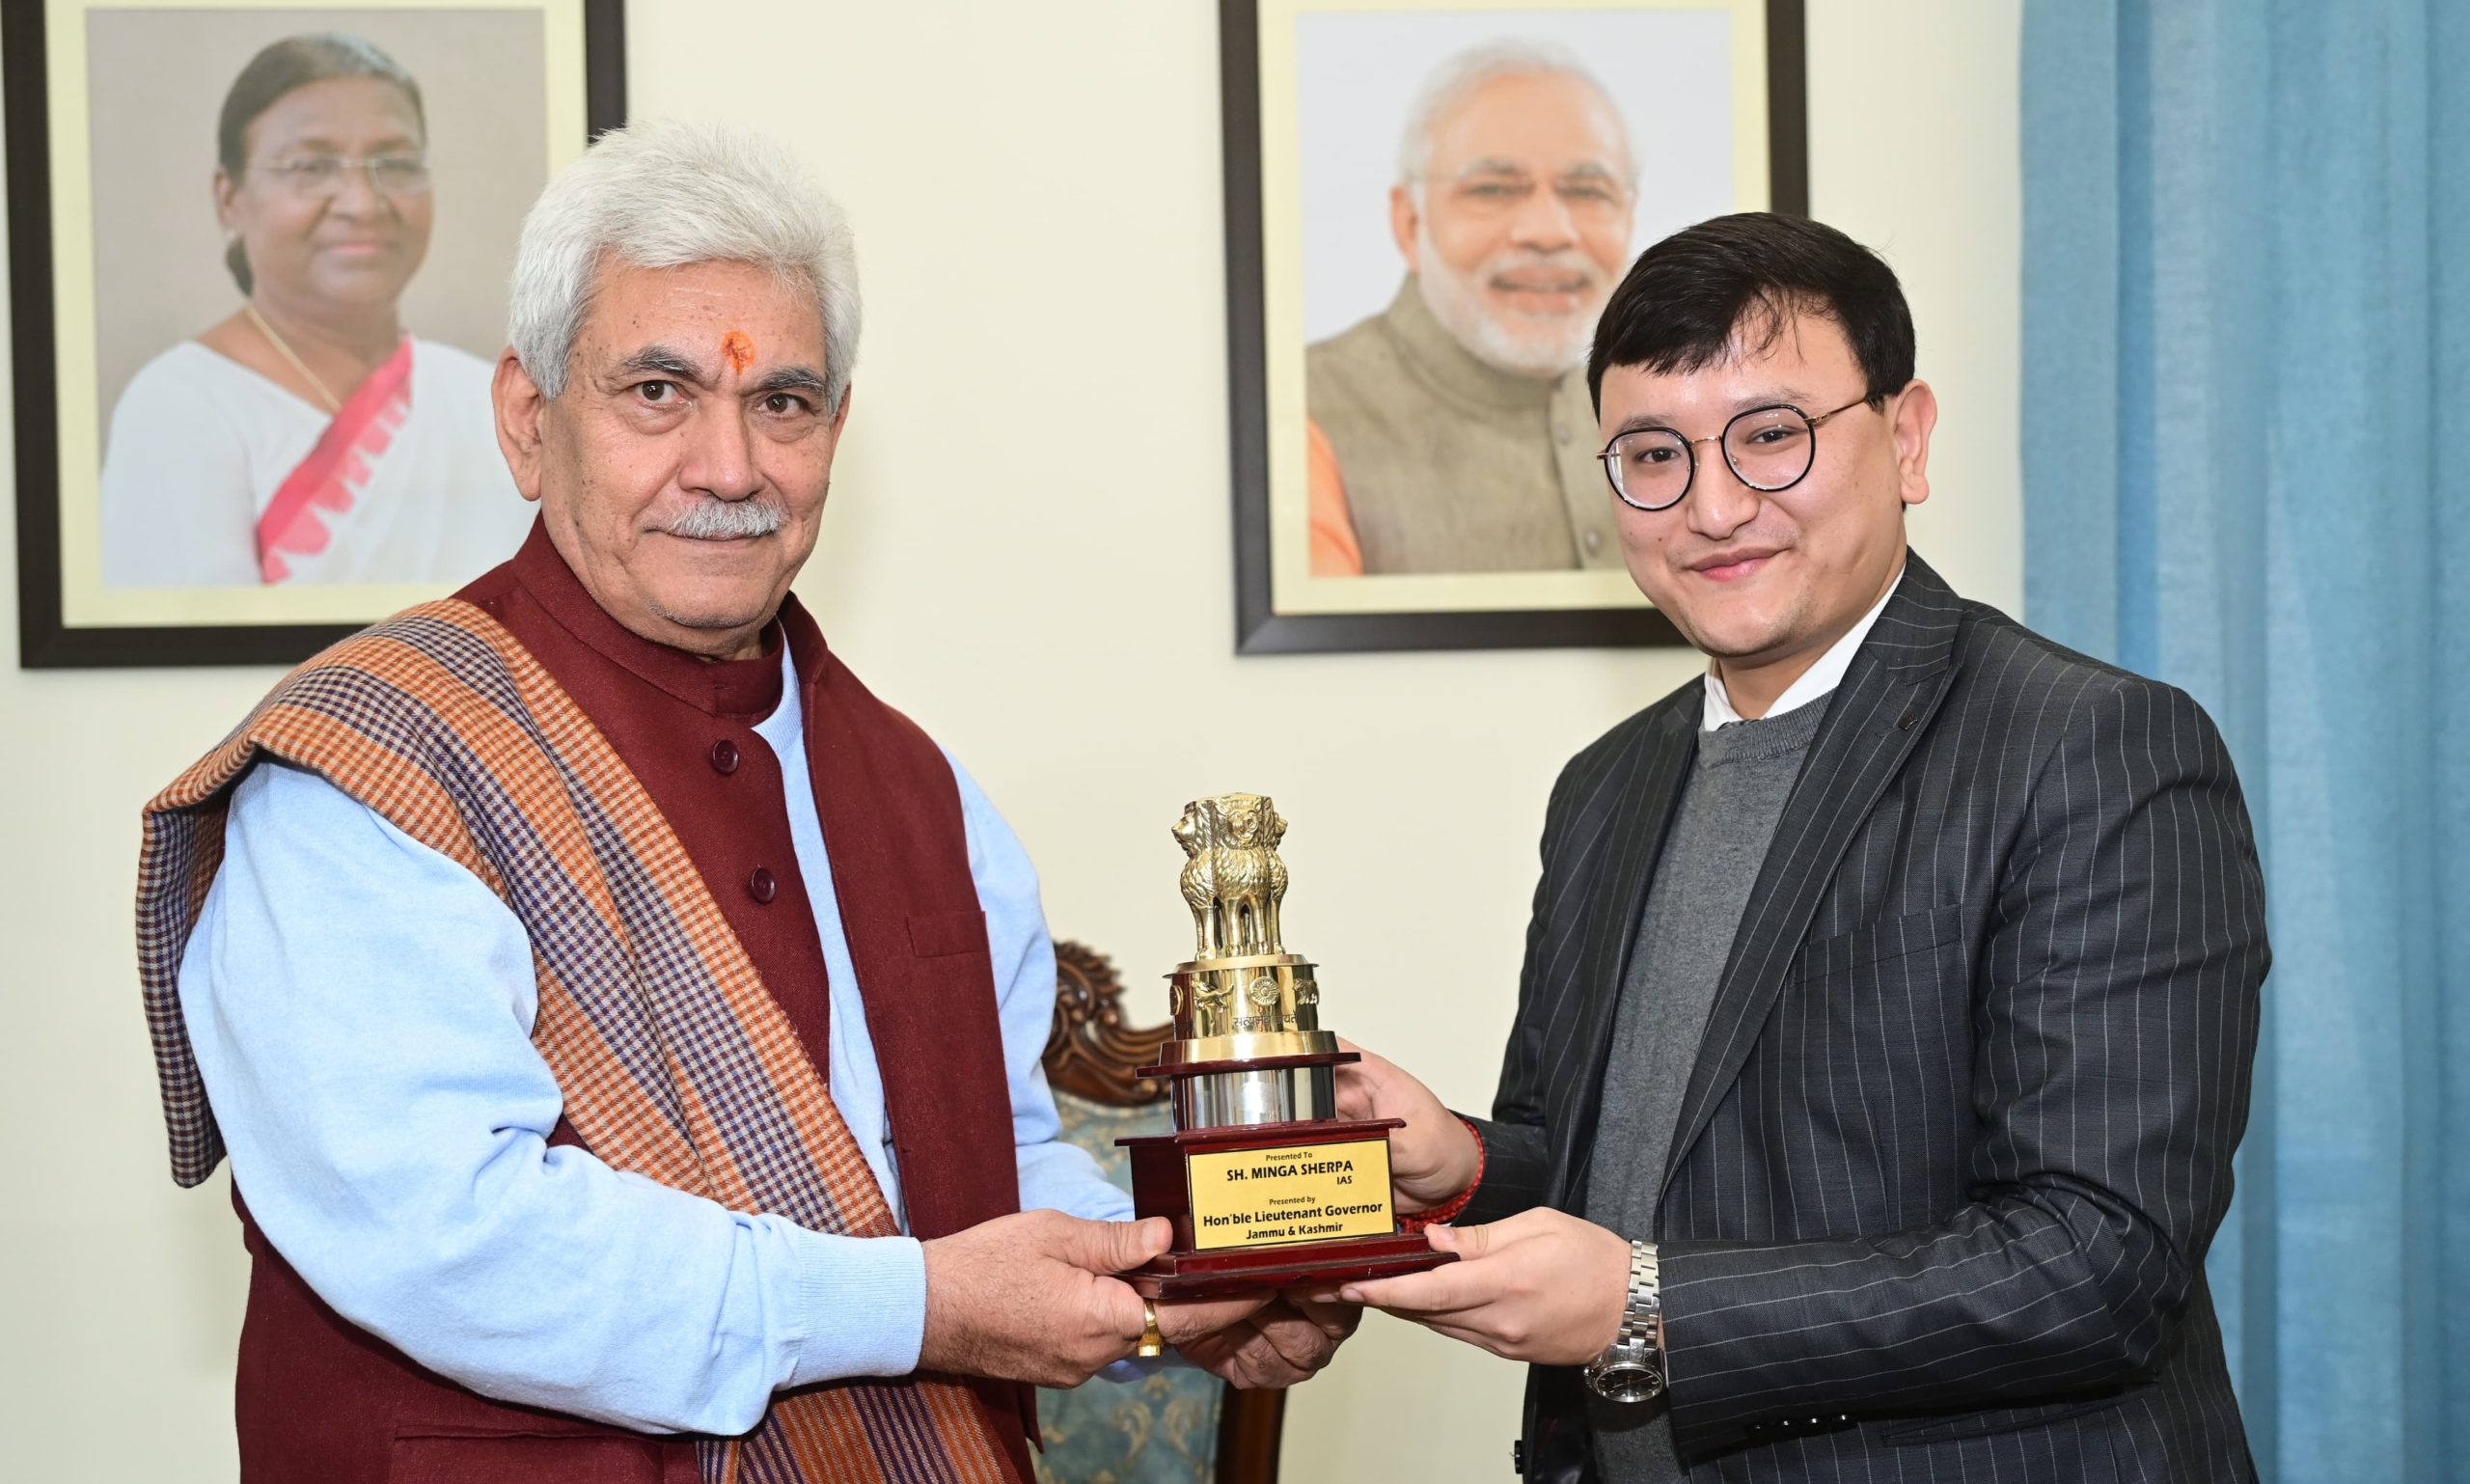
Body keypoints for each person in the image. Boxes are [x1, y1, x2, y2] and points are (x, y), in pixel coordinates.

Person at [134, 121, 1346, 1484]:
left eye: (782, 402)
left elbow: (991, 1164)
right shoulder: (369, 769)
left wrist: (1179, 1285)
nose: (729, 466)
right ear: (529, 421)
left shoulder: (921, 791)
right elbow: (451, 1235)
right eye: (658, 391)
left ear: (836, 429)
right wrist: (922, 1307)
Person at [1331, 213, 2268, 1482]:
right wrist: (1463, 1160)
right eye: (1653, 455)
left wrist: (1647, 1304)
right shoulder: (1607, 785)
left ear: (1908, 438)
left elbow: (2095, 1263)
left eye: (1771, 435)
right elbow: (1624, 1170)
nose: (1714, 507)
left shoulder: (2092, 749)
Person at [99, 33, 526, 588]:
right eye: (311, 167)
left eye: (396, 164)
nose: (362, 203)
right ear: (230, 200)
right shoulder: (181, 406)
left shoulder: (483, 399)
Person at [1305, 40, 1636, 576]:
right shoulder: (1301, 410)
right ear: (1409, 223)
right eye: (1493, 190)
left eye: (1588, 191)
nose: (1548, 231)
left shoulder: (1682, 401)